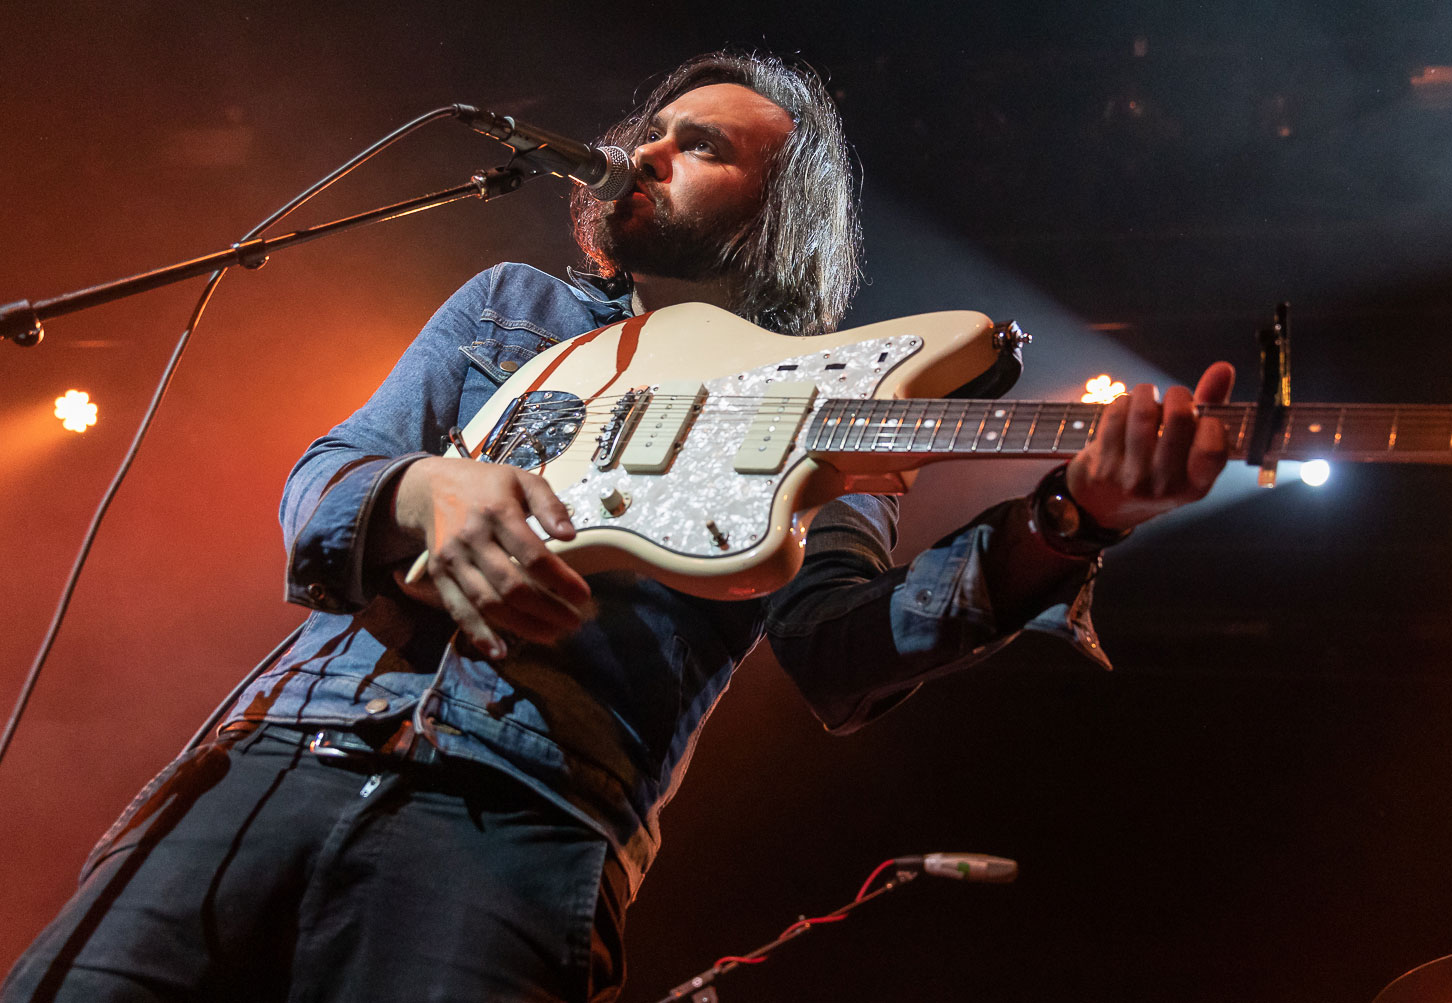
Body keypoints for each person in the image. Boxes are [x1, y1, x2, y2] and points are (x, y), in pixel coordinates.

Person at [3, 52, 1234, 1002]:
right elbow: (324, 481)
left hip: (519, 825)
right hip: (272, 758)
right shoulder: (511, 310)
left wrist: (1070, 517)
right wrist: (425, 491)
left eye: (700, 146)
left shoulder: (836, 407)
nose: (645, 153)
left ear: (781, 213)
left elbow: (841, 653)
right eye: (648, 131)